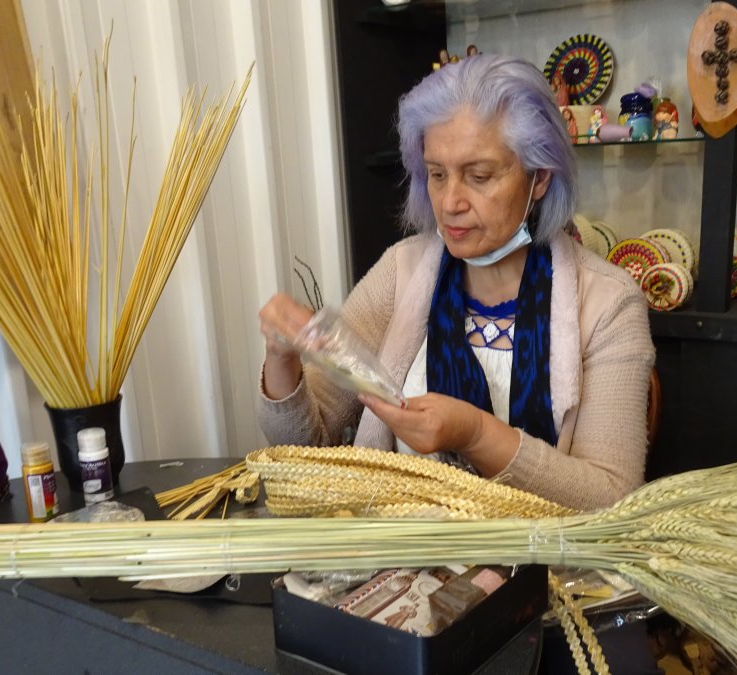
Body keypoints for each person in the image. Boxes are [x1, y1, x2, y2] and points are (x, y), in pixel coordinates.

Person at [256, 54, 654, 511]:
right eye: (437, 174)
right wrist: (282, 358)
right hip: (402, 548)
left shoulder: (608, 303)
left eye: (479, 176)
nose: (449, 203)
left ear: (540, 177)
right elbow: (307, 447)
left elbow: (611, 498)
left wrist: (477, 434)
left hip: (537, 555)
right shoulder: (401, 272)